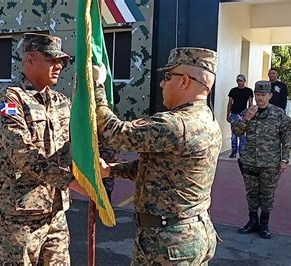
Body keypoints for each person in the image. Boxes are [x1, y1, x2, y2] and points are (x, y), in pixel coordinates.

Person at [95, 47, 221, 265]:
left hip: (168, 242)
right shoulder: (206, 119)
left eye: (167, 76)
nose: (162, 83)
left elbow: (113, 133)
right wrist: (112, 170)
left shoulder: (176, 124)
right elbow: (162, 168)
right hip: (190, 233)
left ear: (184, 81)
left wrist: (97, 85)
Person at [0, 33, 85, 265]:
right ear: (30, 60)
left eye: (61, 61)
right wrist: (68, 180)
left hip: (56, 211)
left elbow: (77, 143)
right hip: (20, 213)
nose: (59, 66)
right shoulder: (11, 99)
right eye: (52, 60)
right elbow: (20, 150)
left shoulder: (62, 101)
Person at [232, 80, 291, 239]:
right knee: (251, 193)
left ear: (270, 95)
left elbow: (287, 139)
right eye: (257, 95)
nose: (260, 98)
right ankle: (252, 222)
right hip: (250, 161)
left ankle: (264, 226)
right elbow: (236, 131)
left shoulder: (279, 115)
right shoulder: (247, 112)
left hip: (270, 163)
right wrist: (247, 118)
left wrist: (284, 160)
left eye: (263, 95)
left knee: (267, 194)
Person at [226, 74, 253, 158]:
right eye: (238, 80)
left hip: (243, 114)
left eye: (241, 80)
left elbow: (250, 103)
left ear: (244, 81)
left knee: (242, 133)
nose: (239, 82)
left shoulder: (248, 91)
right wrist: (227, 114)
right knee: (234, 133)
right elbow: (230, 102)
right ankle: (233, 151)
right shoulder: (233, 91)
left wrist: (250, 114)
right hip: (234, 113)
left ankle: (242, 151)